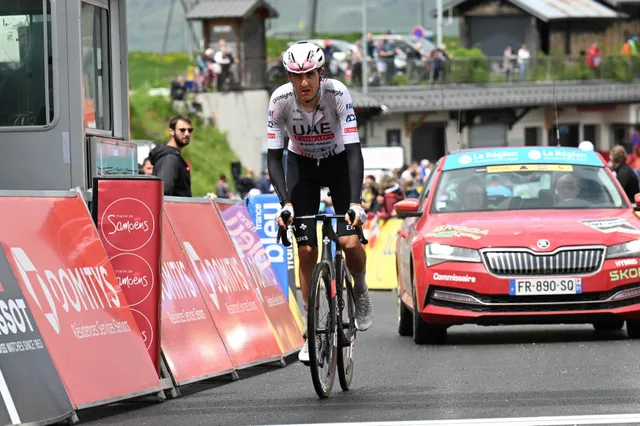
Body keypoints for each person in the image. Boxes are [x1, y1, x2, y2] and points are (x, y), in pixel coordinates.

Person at [266, 41, 374, 364]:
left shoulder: (338, 94)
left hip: (339, 164)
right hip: (302, 169)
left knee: (349, 241)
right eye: (297, 76)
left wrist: (354, 202)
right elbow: (274, 158)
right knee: (307, 250)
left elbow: (354, 151)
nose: (304, 83)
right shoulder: (279, 101)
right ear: (288, 76)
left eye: (310, 75)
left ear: (320, 74)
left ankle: (360, 286)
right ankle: (311, 332)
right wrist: (285, 203)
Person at [149, 115, 193, 197]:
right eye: (182, 130)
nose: (187, 134)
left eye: (189, 130)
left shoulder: (174, 156)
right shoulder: (170, 158)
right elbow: (164, 191)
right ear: (171, 131)